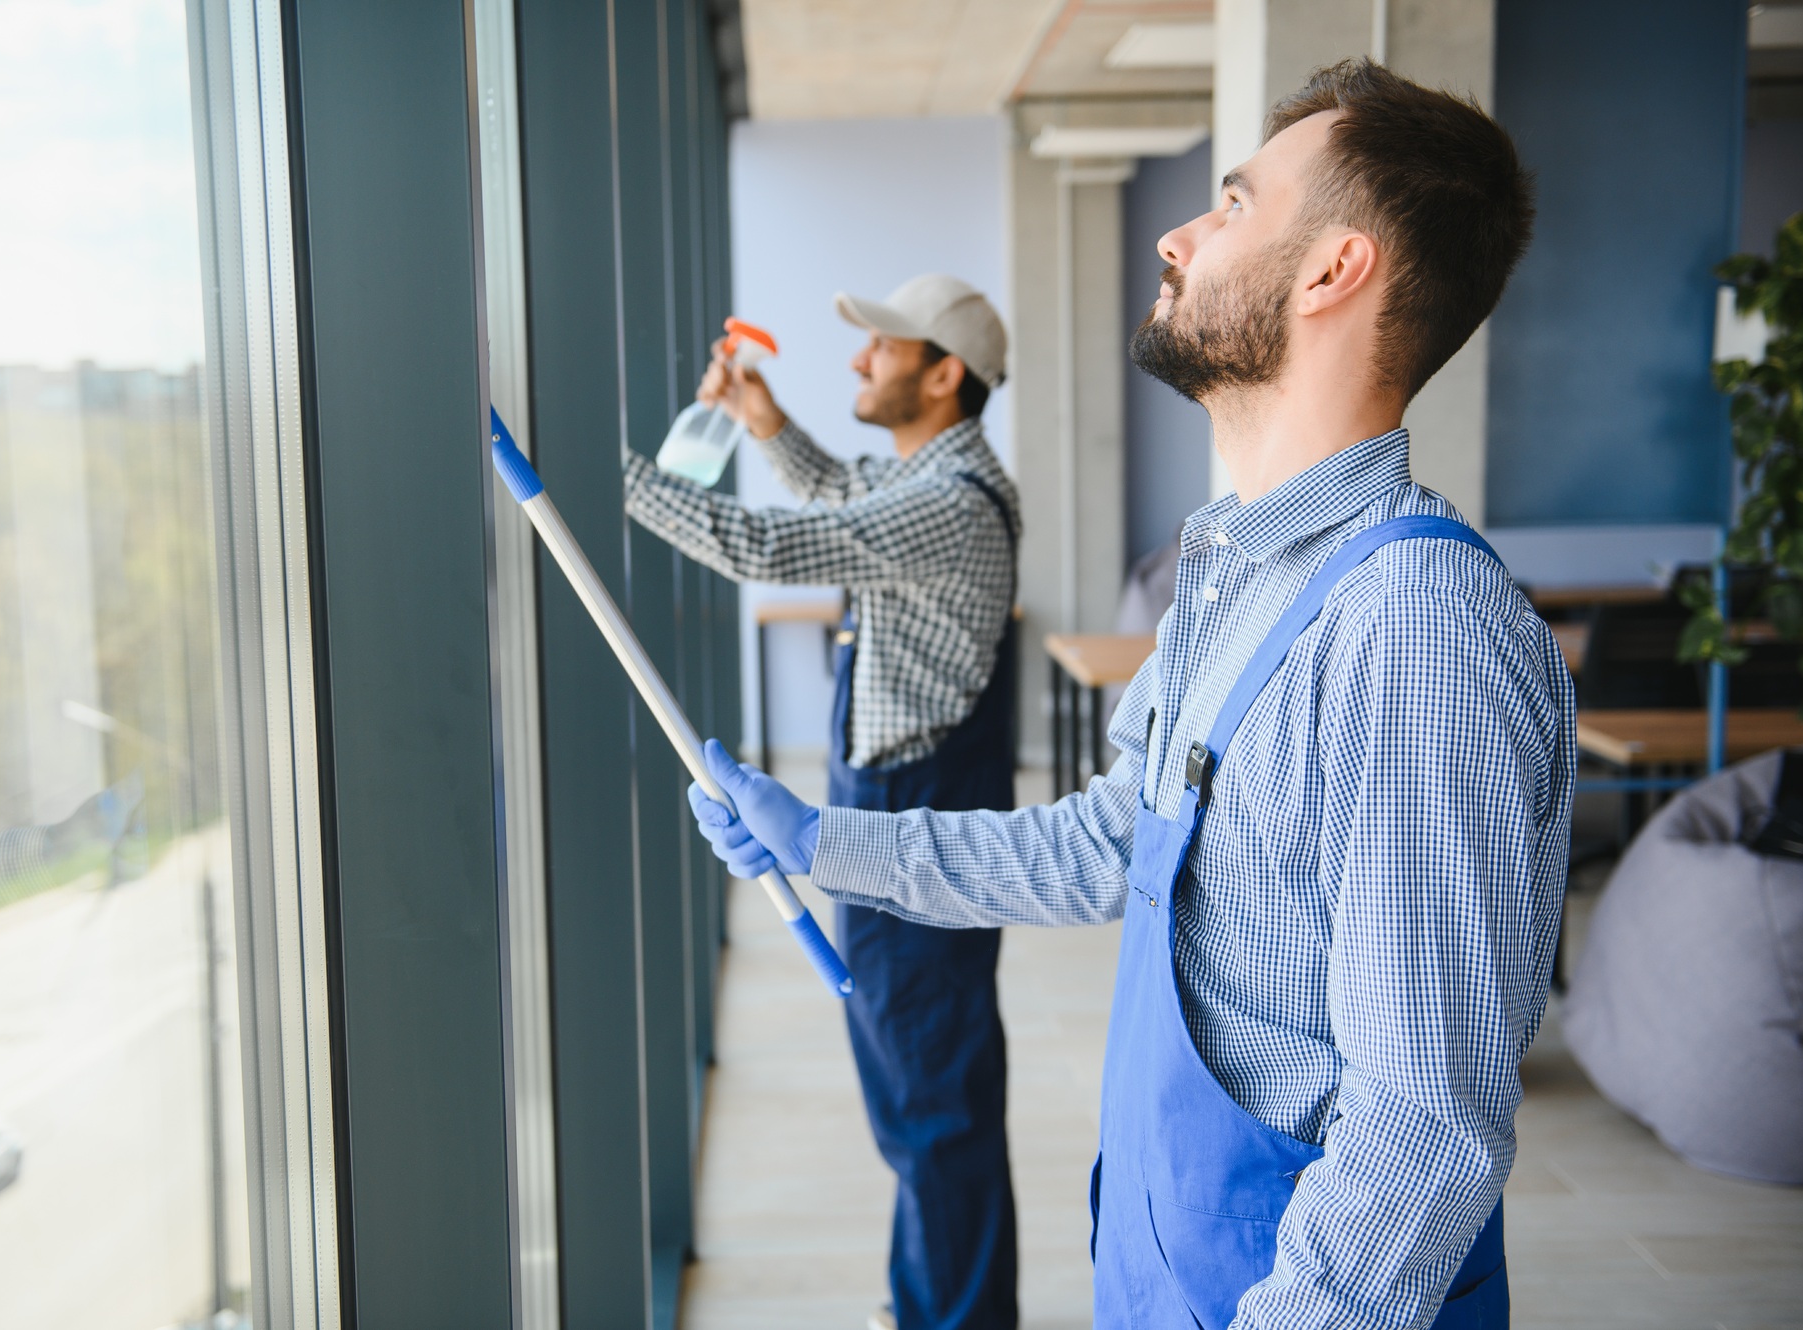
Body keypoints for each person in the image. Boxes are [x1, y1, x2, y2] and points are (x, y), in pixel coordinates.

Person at [688, 60, 1574, 1330]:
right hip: (1168, 1269)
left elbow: (1420, 1132)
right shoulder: (1230, 578)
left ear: (1333, 269)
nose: (1177, 231)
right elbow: (1113, 839)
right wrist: (828, 843)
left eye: (1228, 201)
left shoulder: (1411, 633)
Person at [622, 274, 1023, 1330]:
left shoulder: (945, 502)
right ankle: (928, 1303)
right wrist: (762, 423)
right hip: (894, 804)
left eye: (881, 349)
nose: (856, 360)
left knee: (931, 1102)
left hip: (914, 816)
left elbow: (772, 547)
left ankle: (957, 1319)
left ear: (942, 376)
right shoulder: (934, 478)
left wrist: (599, 476)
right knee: (915, 1096)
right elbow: (841, 496)